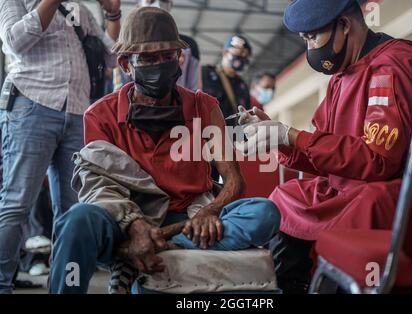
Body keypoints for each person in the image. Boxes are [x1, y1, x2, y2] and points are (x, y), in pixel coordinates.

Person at [48, 7, 280, 294]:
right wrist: (134, 227)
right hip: (125, 218)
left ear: (179, 58)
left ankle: (135, 254)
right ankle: (128, 251)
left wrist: (208, 212)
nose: (160, 64)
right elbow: (98, 186)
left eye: (168, 56)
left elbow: (234, 180)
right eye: (147, 58)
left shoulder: (204, 107)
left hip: (189, 218)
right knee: (77, 220)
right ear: (125, 64)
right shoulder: (100, 115)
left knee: (265, 213)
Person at [237, 0, 412, 293]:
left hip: (389, 191)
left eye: (313, 37)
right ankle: (289, 286)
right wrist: (281, 138)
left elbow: (377, 161)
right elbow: (323, 153)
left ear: (344, 25)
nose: (310, 47)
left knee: (364, 204)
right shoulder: (342, 77)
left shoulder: (389, 66)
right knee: (286, 197)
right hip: (347, 187)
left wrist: (293, 135)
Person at [0, 0, 121, 293]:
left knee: (73, 210)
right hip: (31, 106)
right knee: (16, 204)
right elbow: (15, 41)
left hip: (78, 113)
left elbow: (113, 56)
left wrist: (113, 13)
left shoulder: (80, 11)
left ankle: (66, 287)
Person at [113, 0, 201, 91]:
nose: (157, 4)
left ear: (170, 5)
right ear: (138, 5)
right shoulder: (128, 43)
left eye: (168, 56)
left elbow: (195, 87)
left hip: (179, 102)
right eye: (150, 1)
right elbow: (120, 87)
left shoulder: (189, 46)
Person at [202, 34, 253, 127]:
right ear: (225, 52)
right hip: (209, 135)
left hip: (235, 136)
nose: (243, 57)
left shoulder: (242, 86)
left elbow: (246, 115)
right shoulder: (205, 73)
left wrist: (242, 139)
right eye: (240, 52)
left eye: (246, 54)